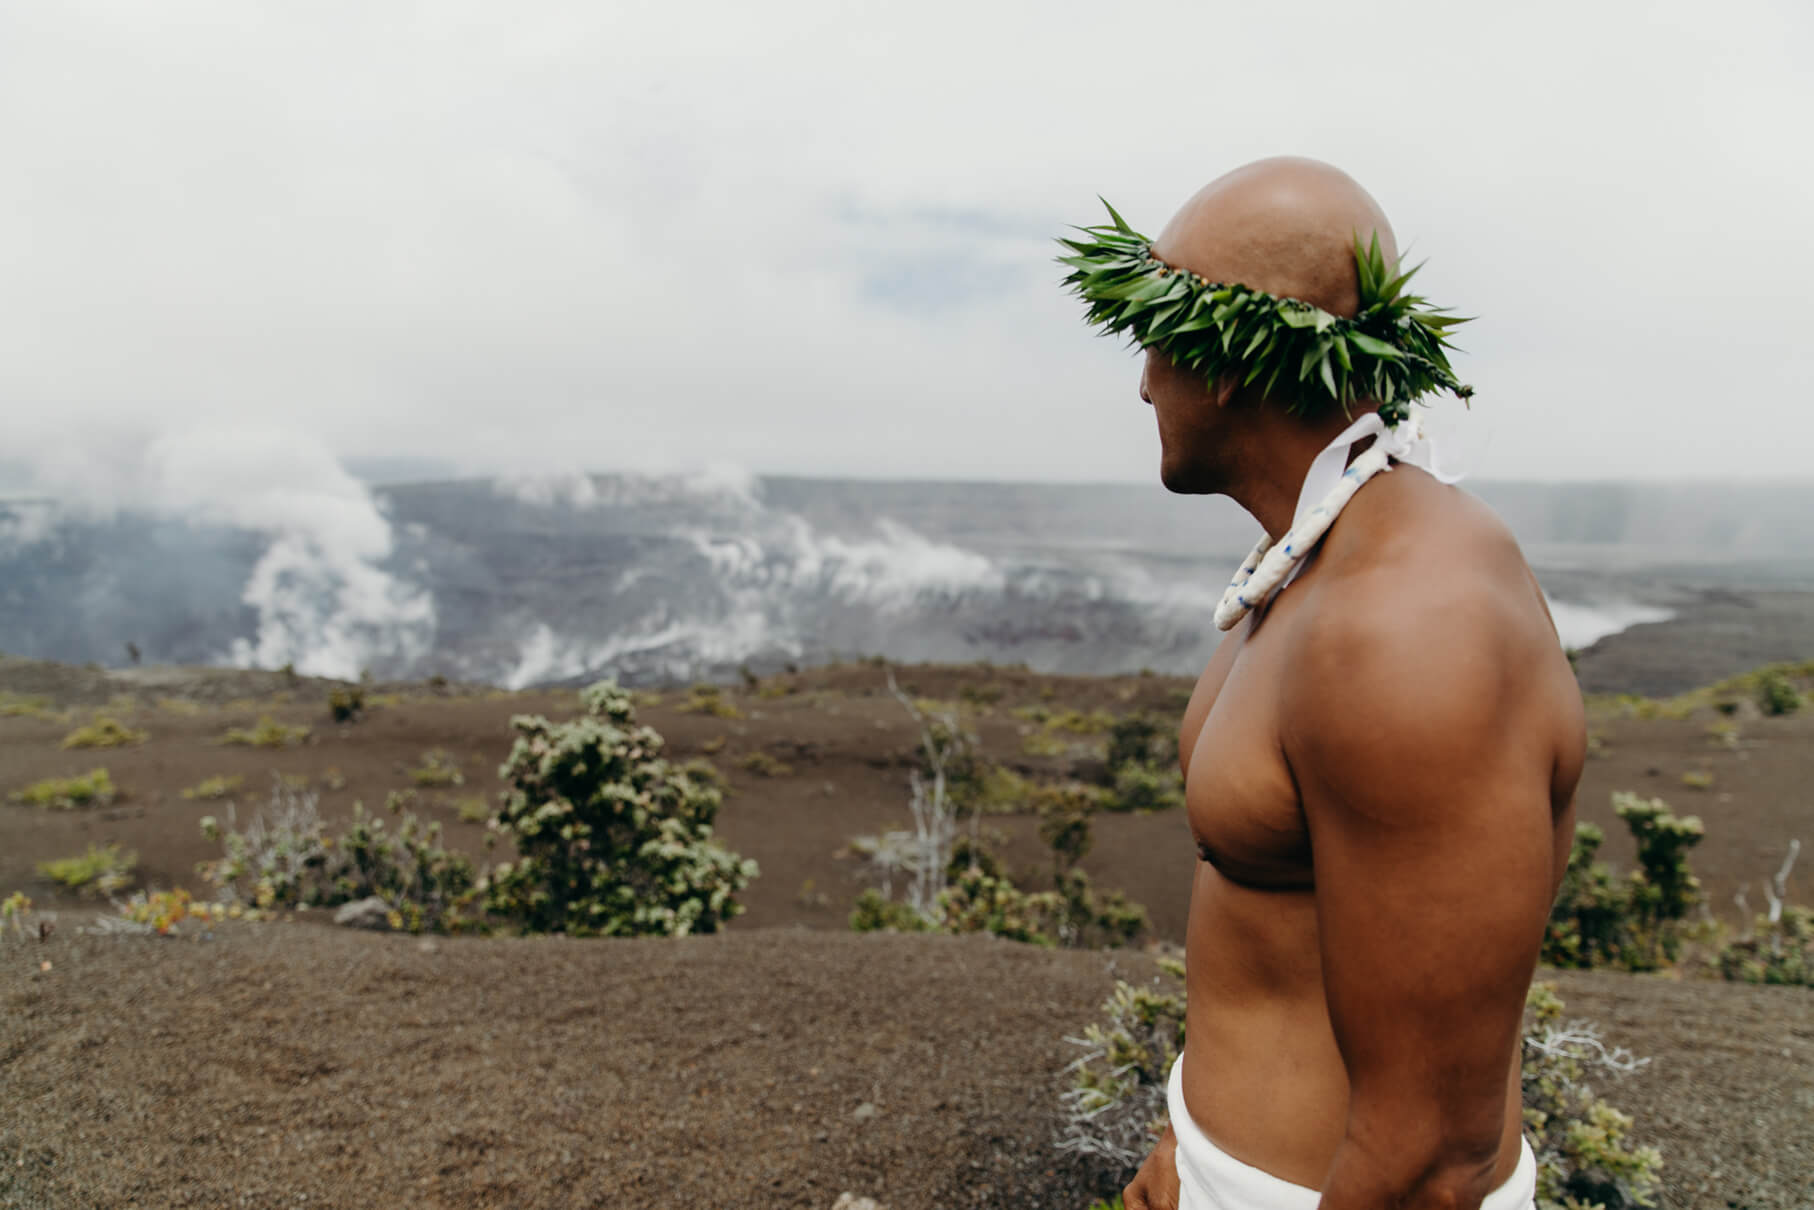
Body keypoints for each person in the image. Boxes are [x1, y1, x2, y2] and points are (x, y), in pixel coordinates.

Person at [1063, 158, 1585, 1210]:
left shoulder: (1400, 630)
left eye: (1150, 341)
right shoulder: (1312, 555)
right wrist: (1185, 1146)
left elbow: (1431, 1159)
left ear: (1218, 365)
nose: (1139, 382)